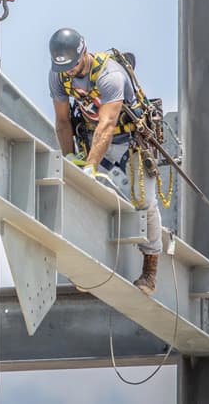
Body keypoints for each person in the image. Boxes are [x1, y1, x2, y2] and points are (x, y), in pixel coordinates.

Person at [47, 27, 161, 295]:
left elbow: (108, 124)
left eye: (74, 66)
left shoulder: (110, 76)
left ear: (83, 53)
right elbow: (63, 122)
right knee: (88, 197)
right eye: (66, 68)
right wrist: (71, 159)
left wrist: (90, 167)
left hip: (129, 144)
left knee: (145, 203)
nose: (71, 72)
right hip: (92, 139)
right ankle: (89, 261)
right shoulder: (58, 76)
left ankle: (150, 270)